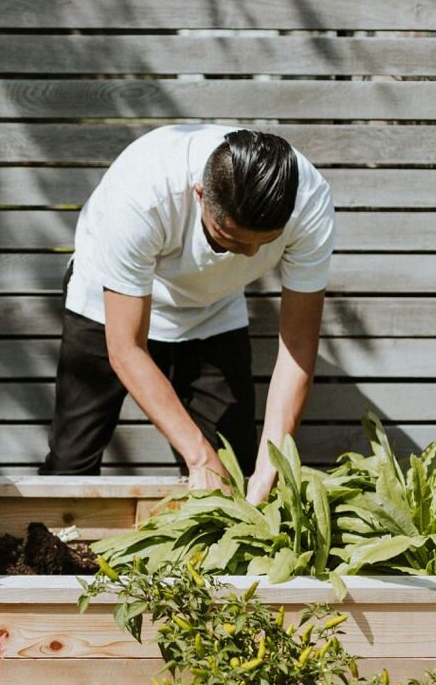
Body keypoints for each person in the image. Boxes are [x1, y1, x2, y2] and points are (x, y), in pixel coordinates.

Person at [41, 125, 335, 504]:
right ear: (200, 195)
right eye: (228, 239)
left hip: (212, 309)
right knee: (71, 465)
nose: (248, 255)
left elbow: (296, 345)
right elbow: (126, 348)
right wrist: (198, 456)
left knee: (233, 469)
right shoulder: (142, 193)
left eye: (264, 243)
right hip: (106, 304)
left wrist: (270, 464)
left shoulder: (309, 202)